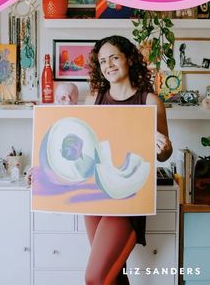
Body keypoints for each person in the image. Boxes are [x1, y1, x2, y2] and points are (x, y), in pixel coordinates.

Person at [84, 35, 173, 285]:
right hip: (94, 198)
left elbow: (164, 154)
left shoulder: (150, 102)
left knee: (96, 277)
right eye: (102, 61)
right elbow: (82, 151)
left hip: (128, 201)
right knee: (113, 274)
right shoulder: (93, 100)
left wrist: (163, 147)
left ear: (129, 59)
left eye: (114, 57)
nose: (108, 65)